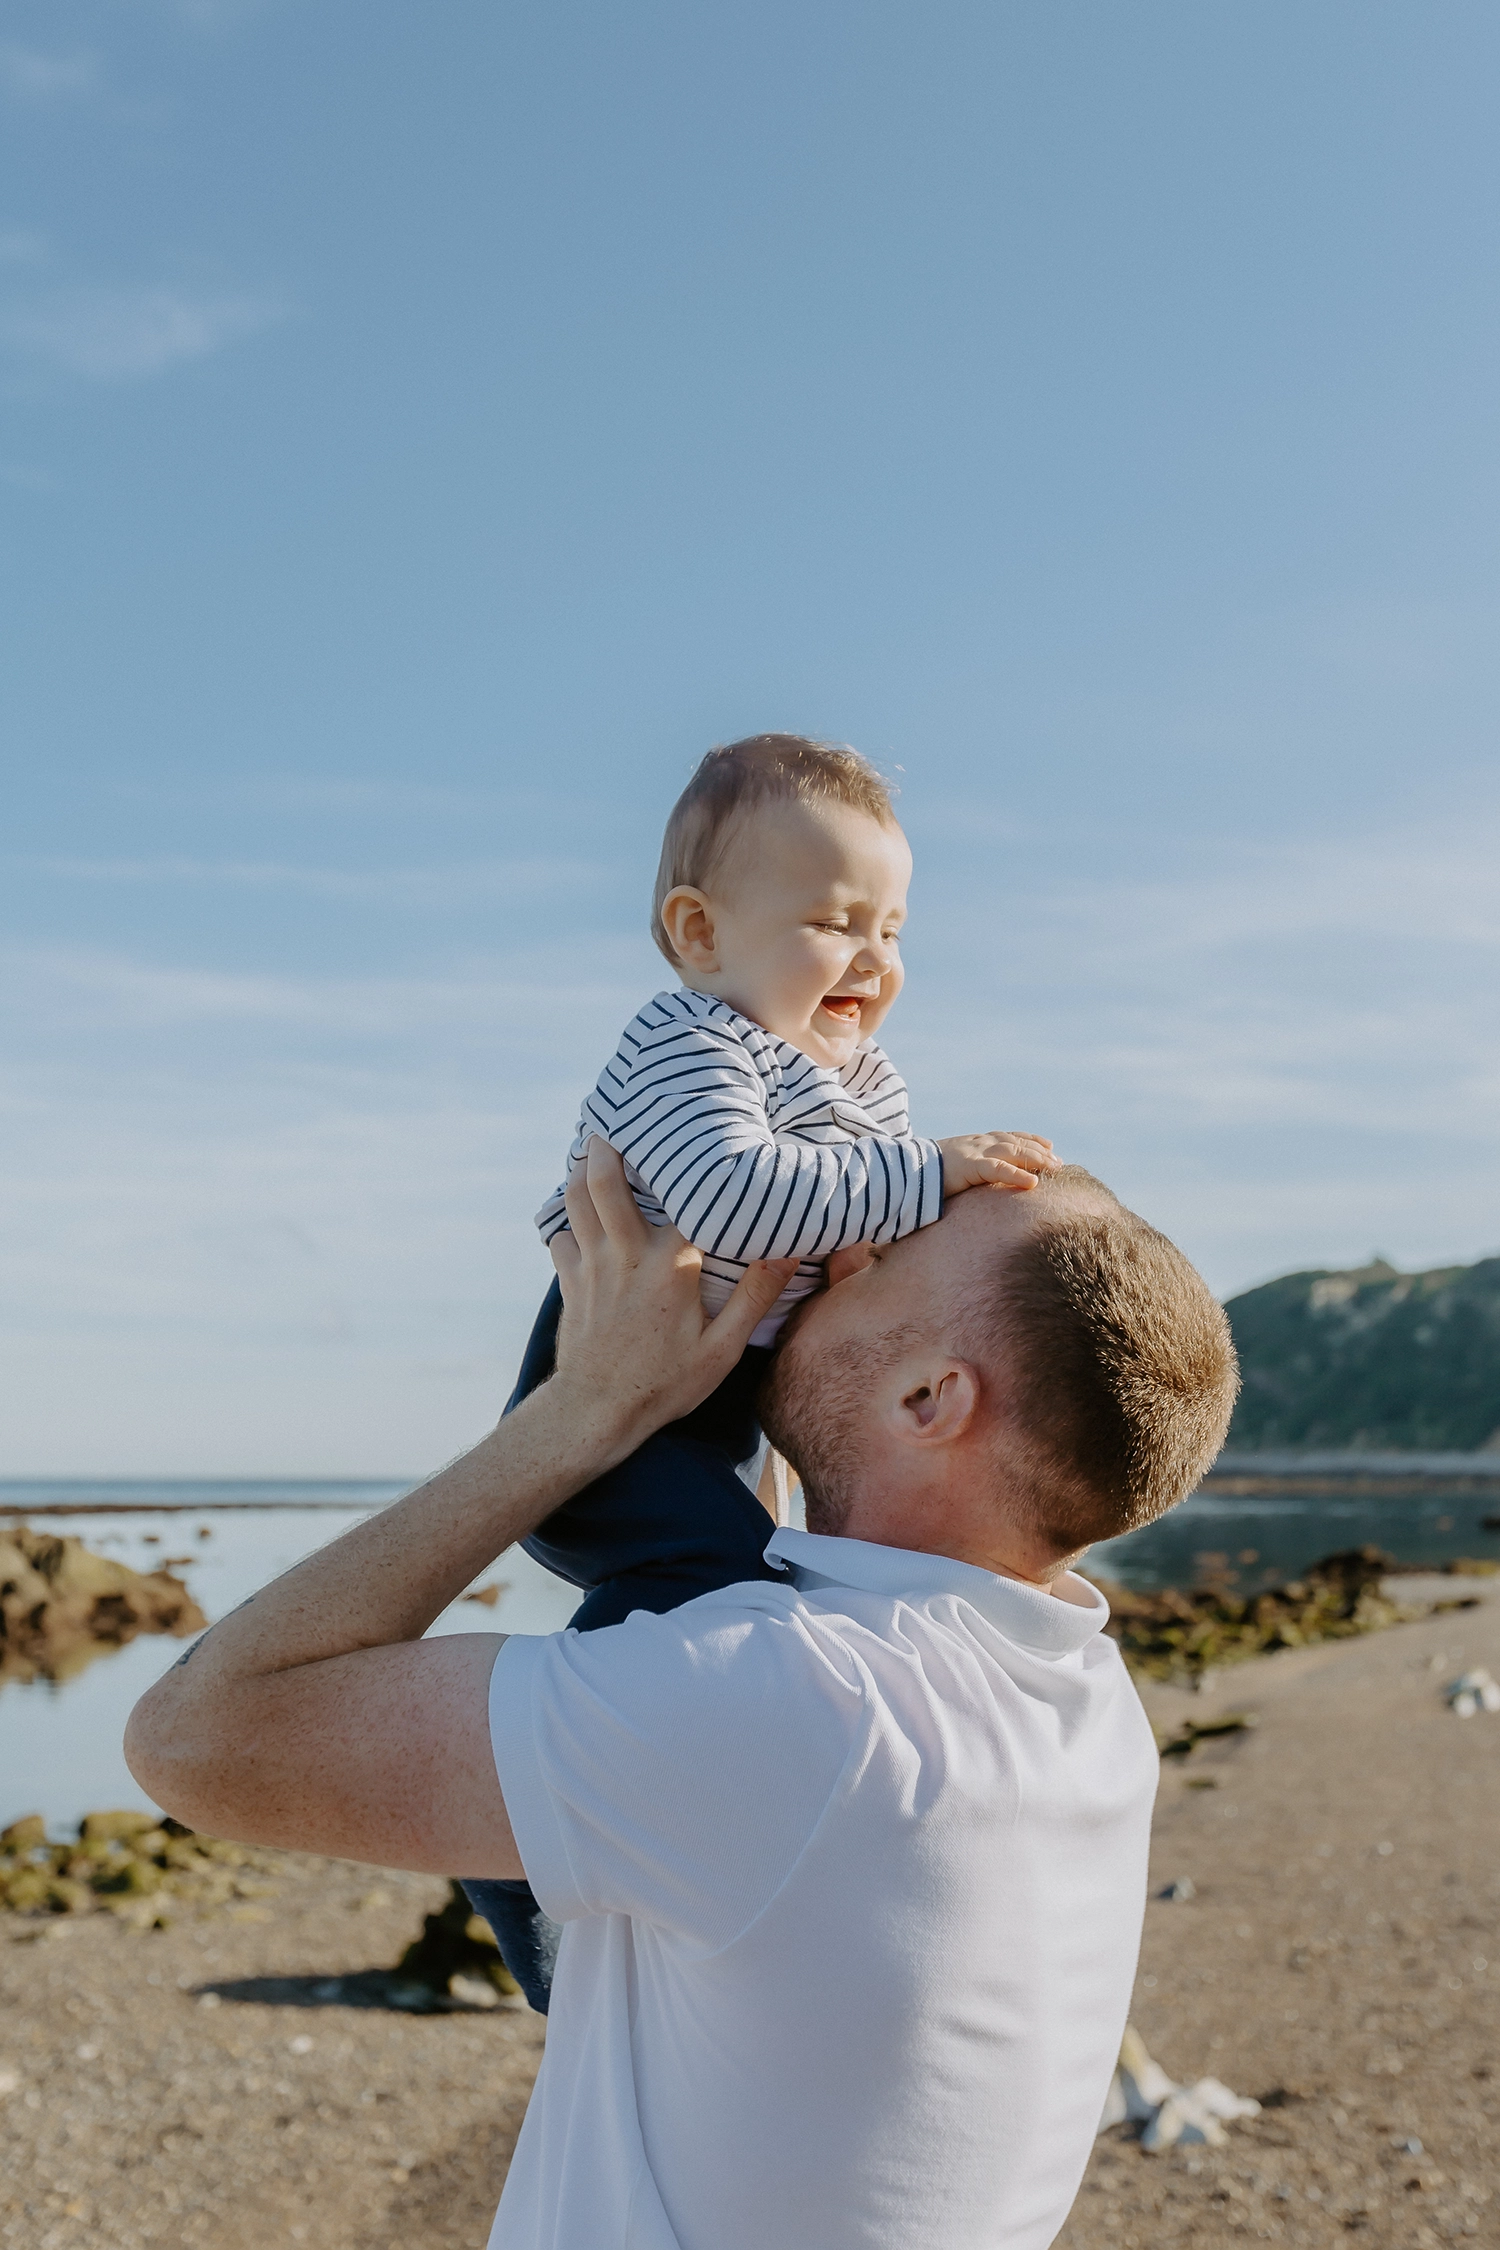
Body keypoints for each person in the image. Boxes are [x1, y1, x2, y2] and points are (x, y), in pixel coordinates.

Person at [125, 1139, 1238, 2250]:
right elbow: (733, 1578)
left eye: (885, 1255)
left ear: (932, 1397)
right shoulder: (1072, 1695)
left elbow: (195, 1737)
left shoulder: (803, 1707)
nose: (834, 1254)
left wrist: (582, 1410)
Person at [477, 732, 1058, 1998]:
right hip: (612, 1375)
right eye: (831, 921)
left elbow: (872, 1231)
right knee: (708, 1589)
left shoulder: (868, 1081)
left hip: (723, 1383)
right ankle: (512, 1849)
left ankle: (647, 1817)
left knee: (742, 1597)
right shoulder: (687, 1044)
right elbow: (738, 1204)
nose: (873, 957)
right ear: (699, 933)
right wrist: (928, 1176)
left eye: (893, 928)